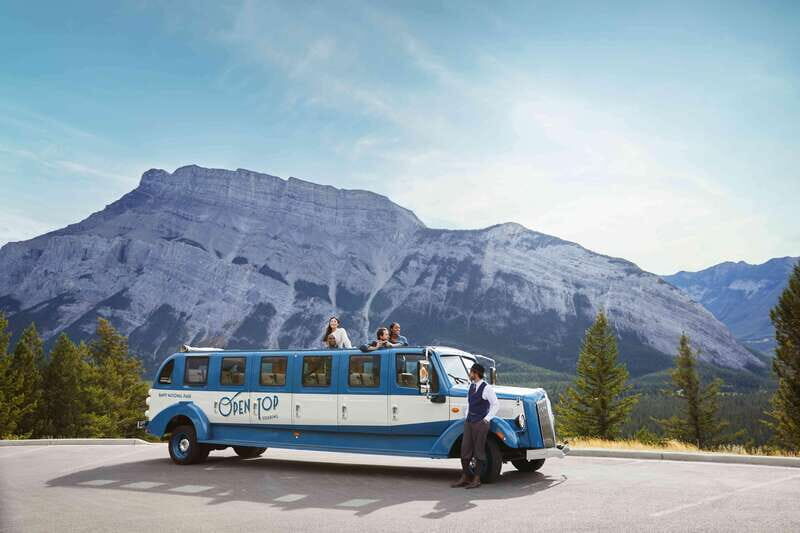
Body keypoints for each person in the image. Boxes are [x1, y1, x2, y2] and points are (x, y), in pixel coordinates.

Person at [451, 362, 499, 490]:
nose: (469, 374)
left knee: (479, 451)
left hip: (480, 423)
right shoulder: (471, 387)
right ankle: (465, 477)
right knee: (465, 450)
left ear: (476, 373)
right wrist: (467, 416)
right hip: (469, 422)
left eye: (471, 372)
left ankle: (476, 479)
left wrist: (487, 419)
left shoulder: (487, 388)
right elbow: (469, 403)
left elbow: (495, 405)